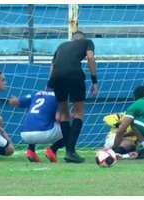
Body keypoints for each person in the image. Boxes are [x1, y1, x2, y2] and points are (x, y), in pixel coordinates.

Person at [49, 31, 98, 163]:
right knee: (79, 112)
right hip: (74, 75)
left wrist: (50, 83)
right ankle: (70, 151)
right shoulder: (87, 42)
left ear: (72, 39)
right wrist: (94, 81)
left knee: (64, 113)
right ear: (82, 39)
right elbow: (90, 58)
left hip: (56, 76)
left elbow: (52, 64)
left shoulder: (61, 45)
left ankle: (67, 151)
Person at [9, 87, 64, 162]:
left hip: (25, 134)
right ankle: (53, 150)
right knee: (69, 128)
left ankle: (31, 151)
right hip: (44, 133)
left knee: (36, 120)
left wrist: (13, 99)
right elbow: (58, 118)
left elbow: (15, 102)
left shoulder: (35, 94)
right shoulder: (59, 97)